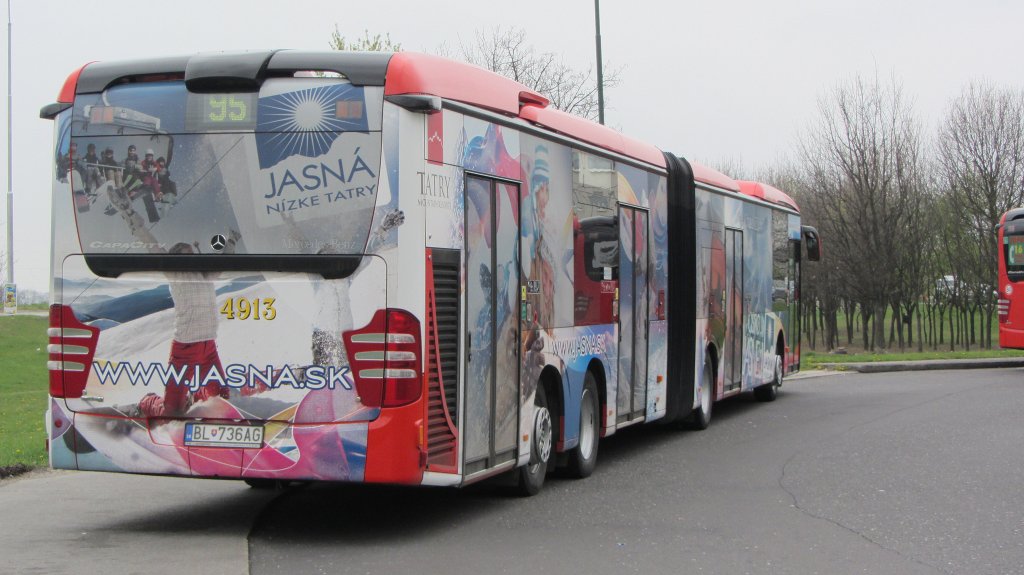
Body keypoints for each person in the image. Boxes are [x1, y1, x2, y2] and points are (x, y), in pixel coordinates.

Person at [114, 204, 240, 418]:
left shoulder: (205, 275)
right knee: (171, 412)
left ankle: (195, 397)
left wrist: (231, 241)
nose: (192, 256)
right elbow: (151, 245)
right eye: (186, 253)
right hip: (185, 349)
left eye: (192, 252)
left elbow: (224, 261)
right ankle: (147, 403)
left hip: (208, 346)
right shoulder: (175, 274)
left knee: (221, 400)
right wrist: (132, 218)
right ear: (176, 258)